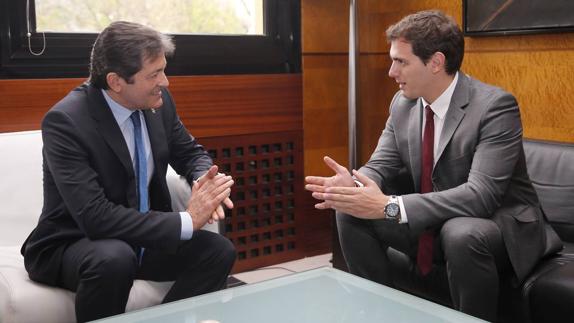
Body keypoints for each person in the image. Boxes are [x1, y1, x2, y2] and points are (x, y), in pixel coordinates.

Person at [305, 10, 555, 322]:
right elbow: (381, 163)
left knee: (460, 233)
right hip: (434, 218)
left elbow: (481, 196)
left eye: (401, 61)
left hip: (496, 224)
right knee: (350, 209)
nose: (391, 72)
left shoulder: (494, 107)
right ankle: (380, 315)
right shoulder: (403, 103)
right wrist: (353, 185)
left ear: (435, 62)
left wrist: (390, 207)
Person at [20, 21, 236, 322]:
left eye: (163, 69)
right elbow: (94, 216)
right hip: (74, 242)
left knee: (218, 251)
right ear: (116, 81)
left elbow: (189, 152)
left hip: (140, 239)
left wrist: (205, 182)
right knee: (114, 258)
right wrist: (186, 220)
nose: (166, 82)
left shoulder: (158, 103)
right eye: (154, 74)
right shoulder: (66, 122)